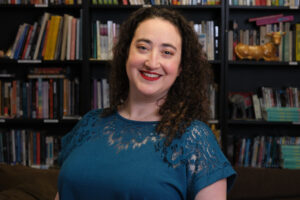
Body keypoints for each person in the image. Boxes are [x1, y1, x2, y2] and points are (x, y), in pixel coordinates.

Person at [55, 7, 236, 200]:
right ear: (126, 53)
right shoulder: (89, 123)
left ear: (180, 67)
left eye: (167, 52)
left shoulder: (196, 140)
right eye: (143, 47)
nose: (152, 62)